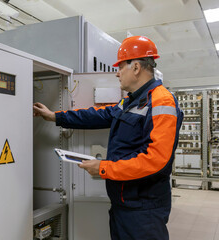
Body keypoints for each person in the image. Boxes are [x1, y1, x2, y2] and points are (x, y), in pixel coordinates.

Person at [33, 36, 183, 240]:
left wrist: (104, 168)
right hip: (124, 204)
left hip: (144, 209)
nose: (117, 74)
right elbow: (99, 115)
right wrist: (55, 116)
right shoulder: (130, 101)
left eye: (120, 67)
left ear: (136, 67)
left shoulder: (161, 101)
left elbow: (156, 160)